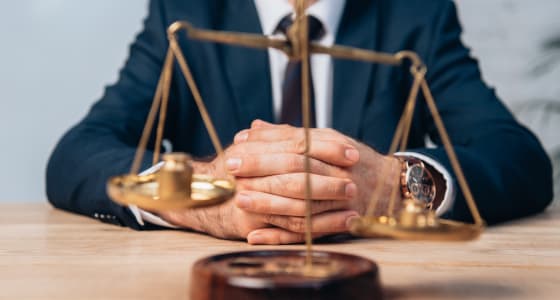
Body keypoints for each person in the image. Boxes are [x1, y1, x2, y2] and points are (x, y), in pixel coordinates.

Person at [46, 0, 553, 245]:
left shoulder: (413, 13)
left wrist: (394, 183)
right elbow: (77, 155)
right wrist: (205, 197)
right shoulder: (187, 10)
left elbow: (518, 157)